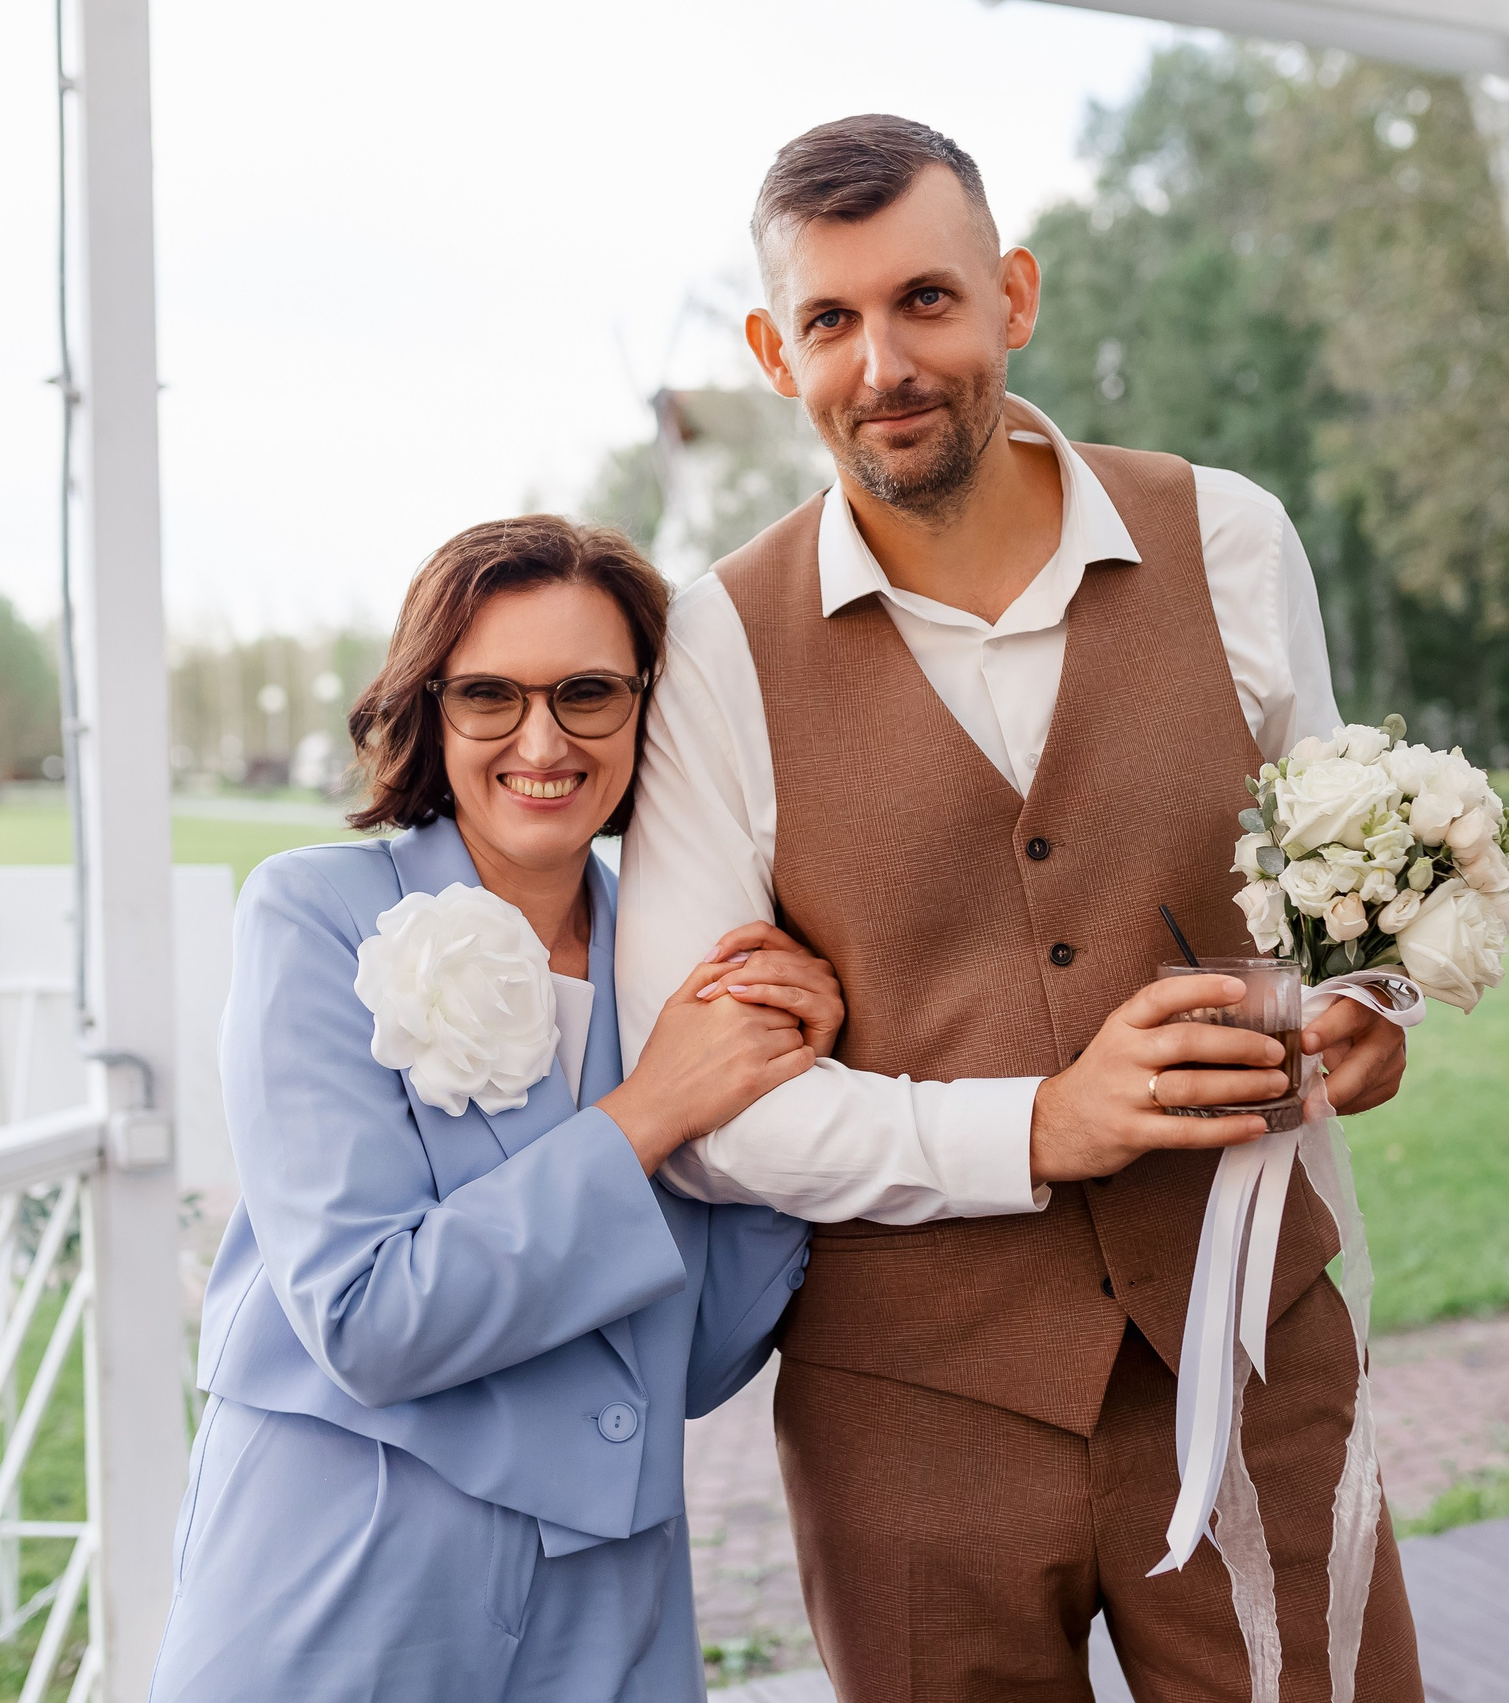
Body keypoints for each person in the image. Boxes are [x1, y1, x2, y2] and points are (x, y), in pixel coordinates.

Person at [617, 117, 1422, 1701]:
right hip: (909, 1409)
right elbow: (708, 1106)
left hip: (1252, 1350)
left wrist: (1372, 1005)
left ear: (1014, 297)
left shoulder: (1233, 540)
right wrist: (1041, 1123)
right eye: (832, 321)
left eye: (927, 300)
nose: (884, 362)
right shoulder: (714, 644)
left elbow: (1343, 882)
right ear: (778, 351)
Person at [150, 516, 833, 1702]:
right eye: (487, 696)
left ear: (645, 709)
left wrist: (789, 1091)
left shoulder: (676, 959)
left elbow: (683, 1367)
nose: (542, 739)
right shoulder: (313, 917)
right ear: (429, 706)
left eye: (587, 692)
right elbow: (368, 1317)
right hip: (346, 1577)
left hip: (610, 1607)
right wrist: (647, 1111)